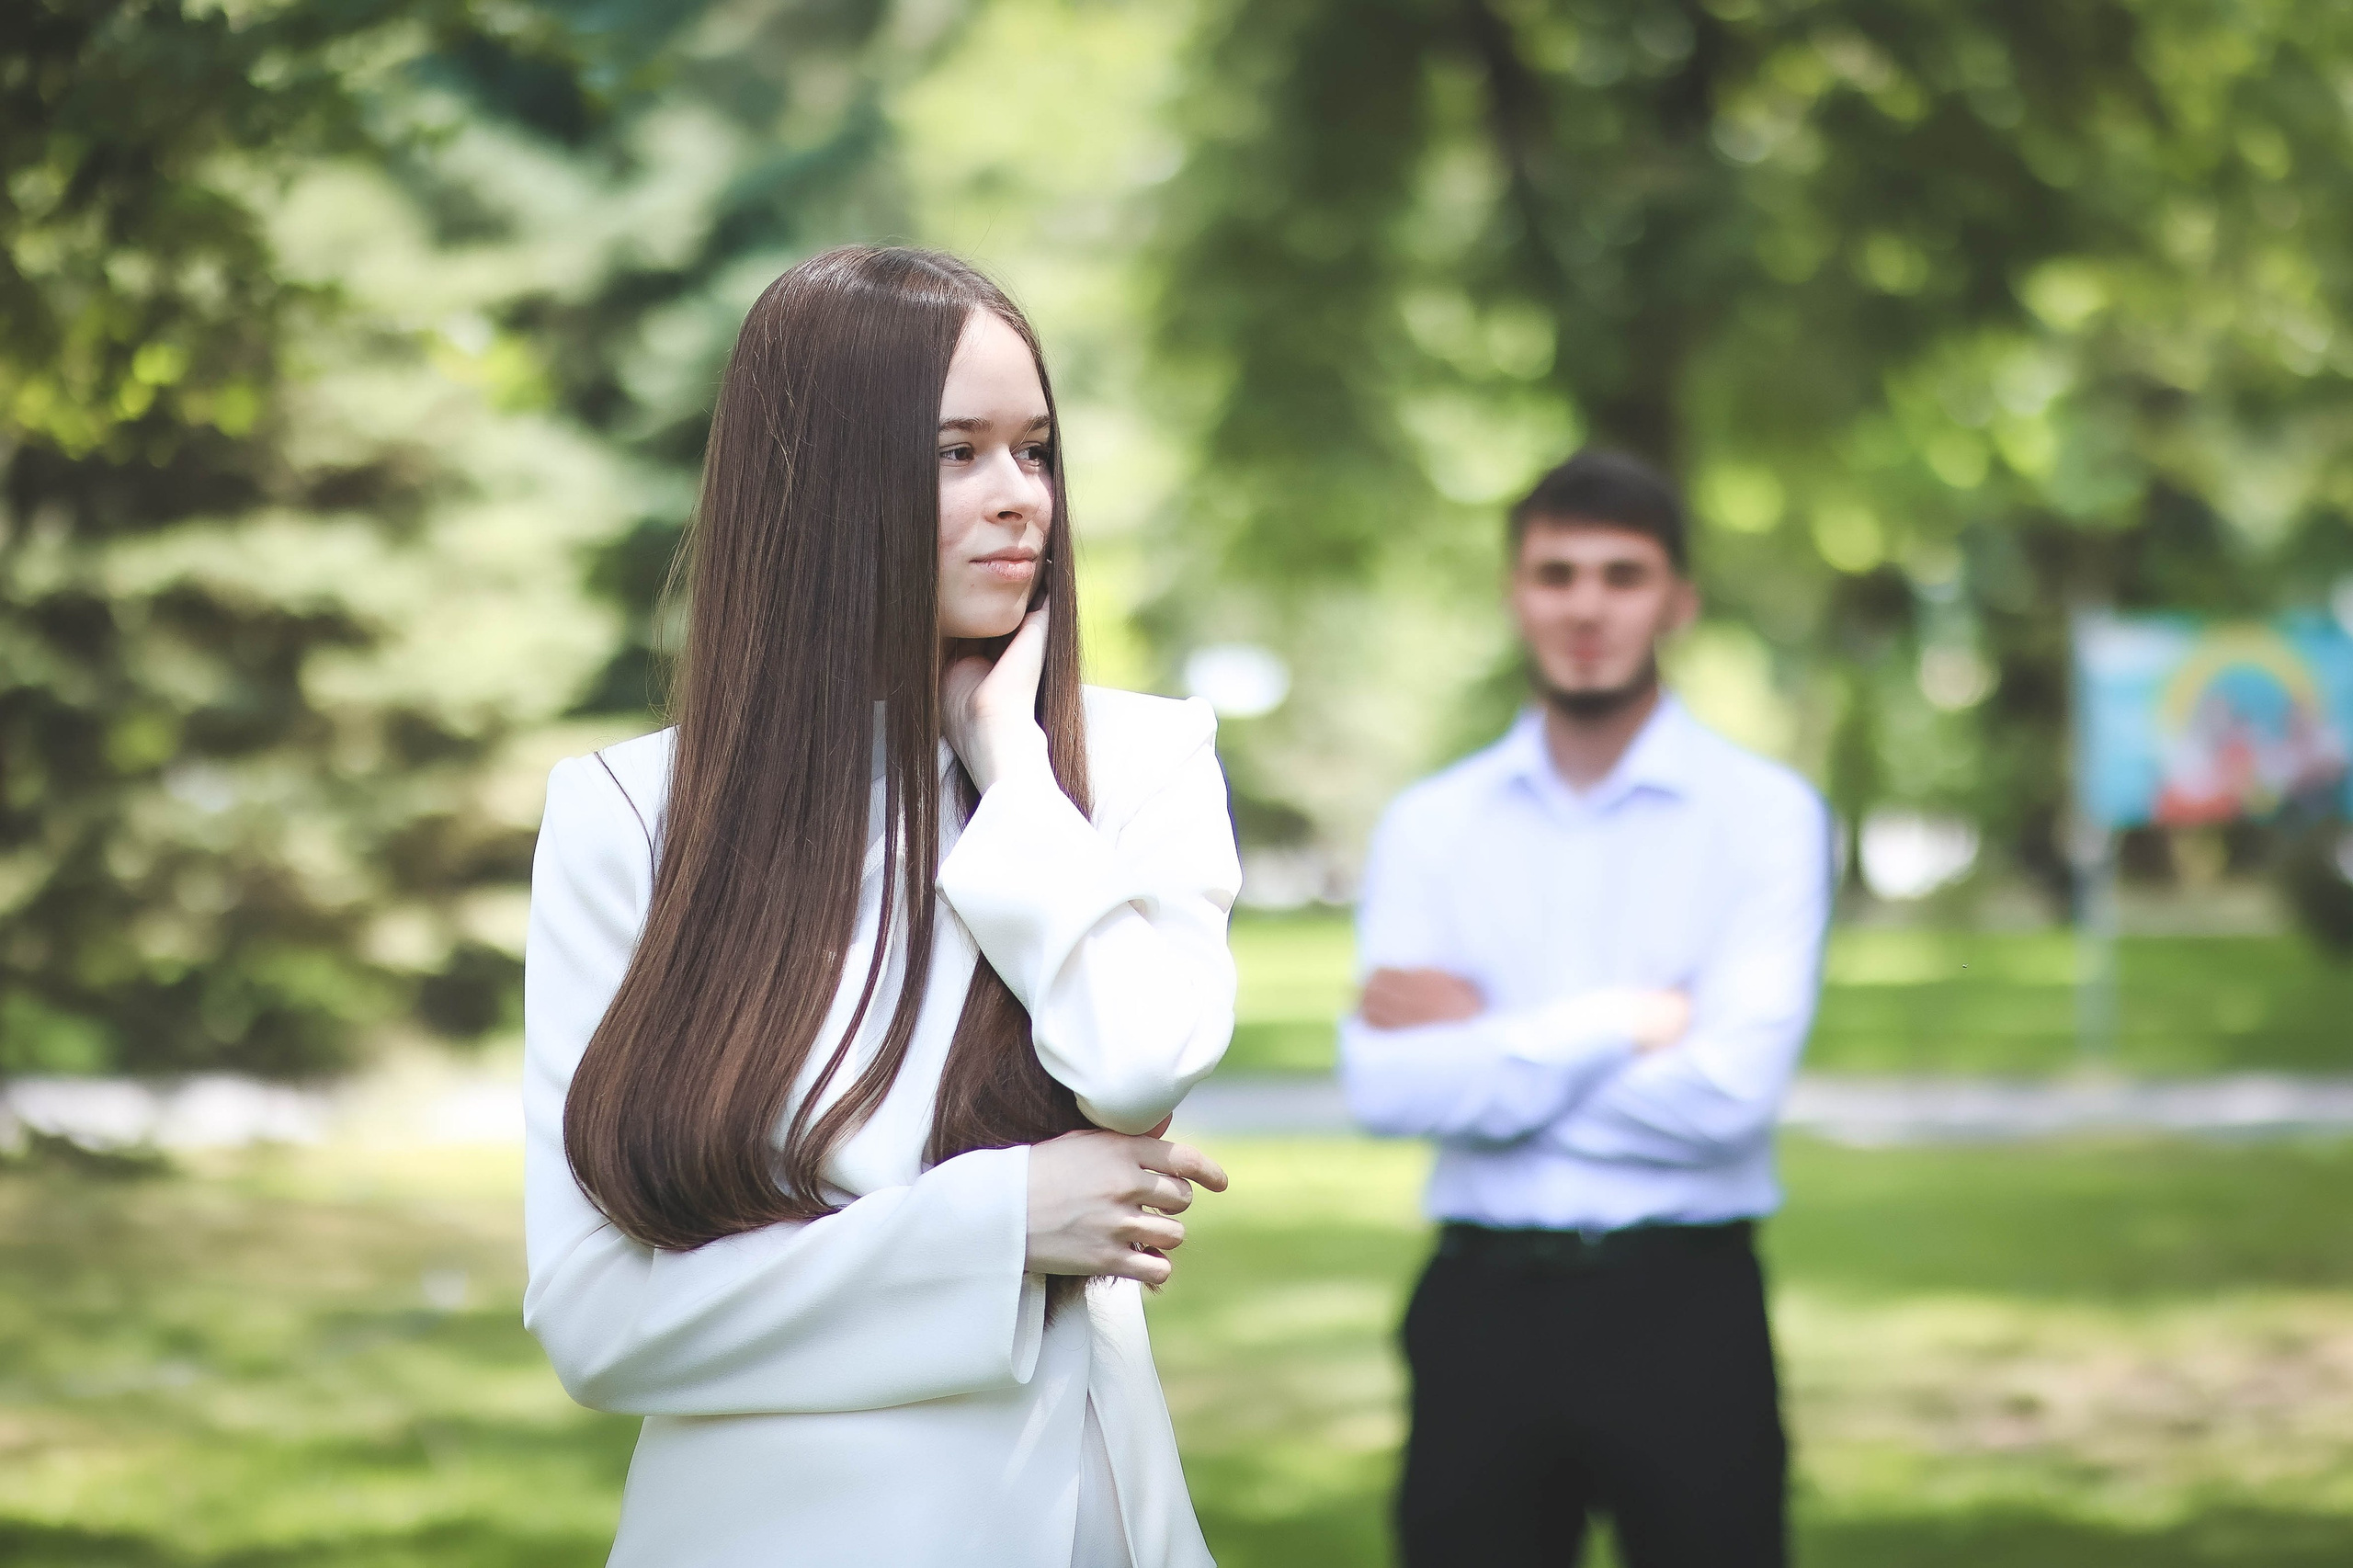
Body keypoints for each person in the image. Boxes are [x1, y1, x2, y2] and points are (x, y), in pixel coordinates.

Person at [522, 246, 1242, 1568]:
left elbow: (1141, 1056)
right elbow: (597, 1318)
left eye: (1036, 450)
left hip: (1065, 1516)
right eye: (955, 453)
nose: (1019, 498)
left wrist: (1009, 768)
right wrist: (1003, 1223)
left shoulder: (1133, 766)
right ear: (819, 489)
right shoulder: (628, 816)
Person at [1338, 449, 1830, 1568]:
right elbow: (1383, 1085)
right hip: (1482, 1305)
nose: (1587, 607)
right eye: (1557, 574)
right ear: (1516, 593)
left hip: (1686, 1303)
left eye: (1623, 574)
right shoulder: (1431, 823)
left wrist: (1480, 1051)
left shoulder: (1767, 816)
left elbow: (1727, 1097)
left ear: (1678, 600)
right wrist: (1618, 1023)